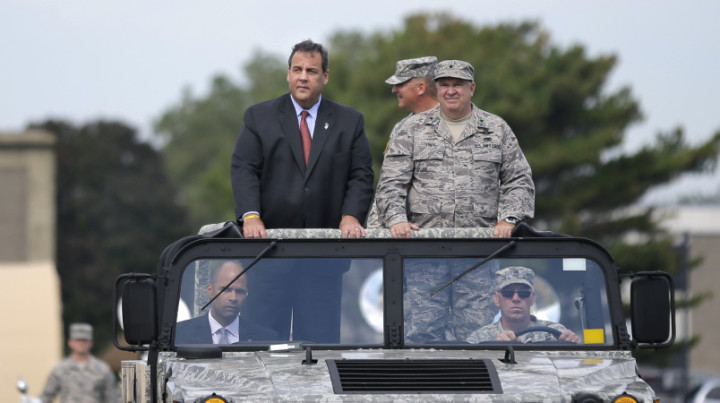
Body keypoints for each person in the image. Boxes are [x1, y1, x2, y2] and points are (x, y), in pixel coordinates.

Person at [230, 39, 374, 342]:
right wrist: (251, 216)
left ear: (325, 76)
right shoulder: (259, 117)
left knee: (320, 349)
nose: (303, 77)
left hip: (323, 258)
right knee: (263, 347)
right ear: (288, 74)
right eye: (297, 70)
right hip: (268, 256)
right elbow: (244, 168)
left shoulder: (350, 121)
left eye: (311, 70)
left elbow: (361, 175)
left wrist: (350, 215)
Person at [374, 59, 535, 238]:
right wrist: (397, 220)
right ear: (437, 89)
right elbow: (390, 183)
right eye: (444, 85)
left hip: (481, 247)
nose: (450, 91)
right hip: (422, 246)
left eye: (458, 85)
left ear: (471, 89)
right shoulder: (411, 128)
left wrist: (508, 218)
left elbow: (519, 180)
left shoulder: (496, 128)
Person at [366, 56, 439, 228]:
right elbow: (390, 183)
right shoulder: (402, 127)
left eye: (400, 84)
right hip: (411, 240)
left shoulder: (456, 122)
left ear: (420, 88)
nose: (394, 90)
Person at [467, 266, 581, 343]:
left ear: (532, 299)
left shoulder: (555, 333)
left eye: (523, 293)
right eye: (508, 293)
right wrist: (495, 351)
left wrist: (574, 347)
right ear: (497, 299)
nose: (516, 298)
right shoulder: (480, 339)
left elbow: (574, 369)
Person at [175, 261, 278, 344]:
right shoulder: (179, 334)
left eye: (240, 291)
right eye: (226, 290)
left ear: (246, 294)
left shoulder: (265, 339)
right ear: (210, 290)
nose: (233, 297)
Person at [40, 323, 120, 403]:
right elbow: (46, 397)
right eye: (78, 340)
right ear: (70, 343)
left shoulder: (103, 369)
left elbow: (112, 398)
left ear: (91, 343)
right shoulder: (60, 369)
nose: (81, 344)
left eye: (85, 340)